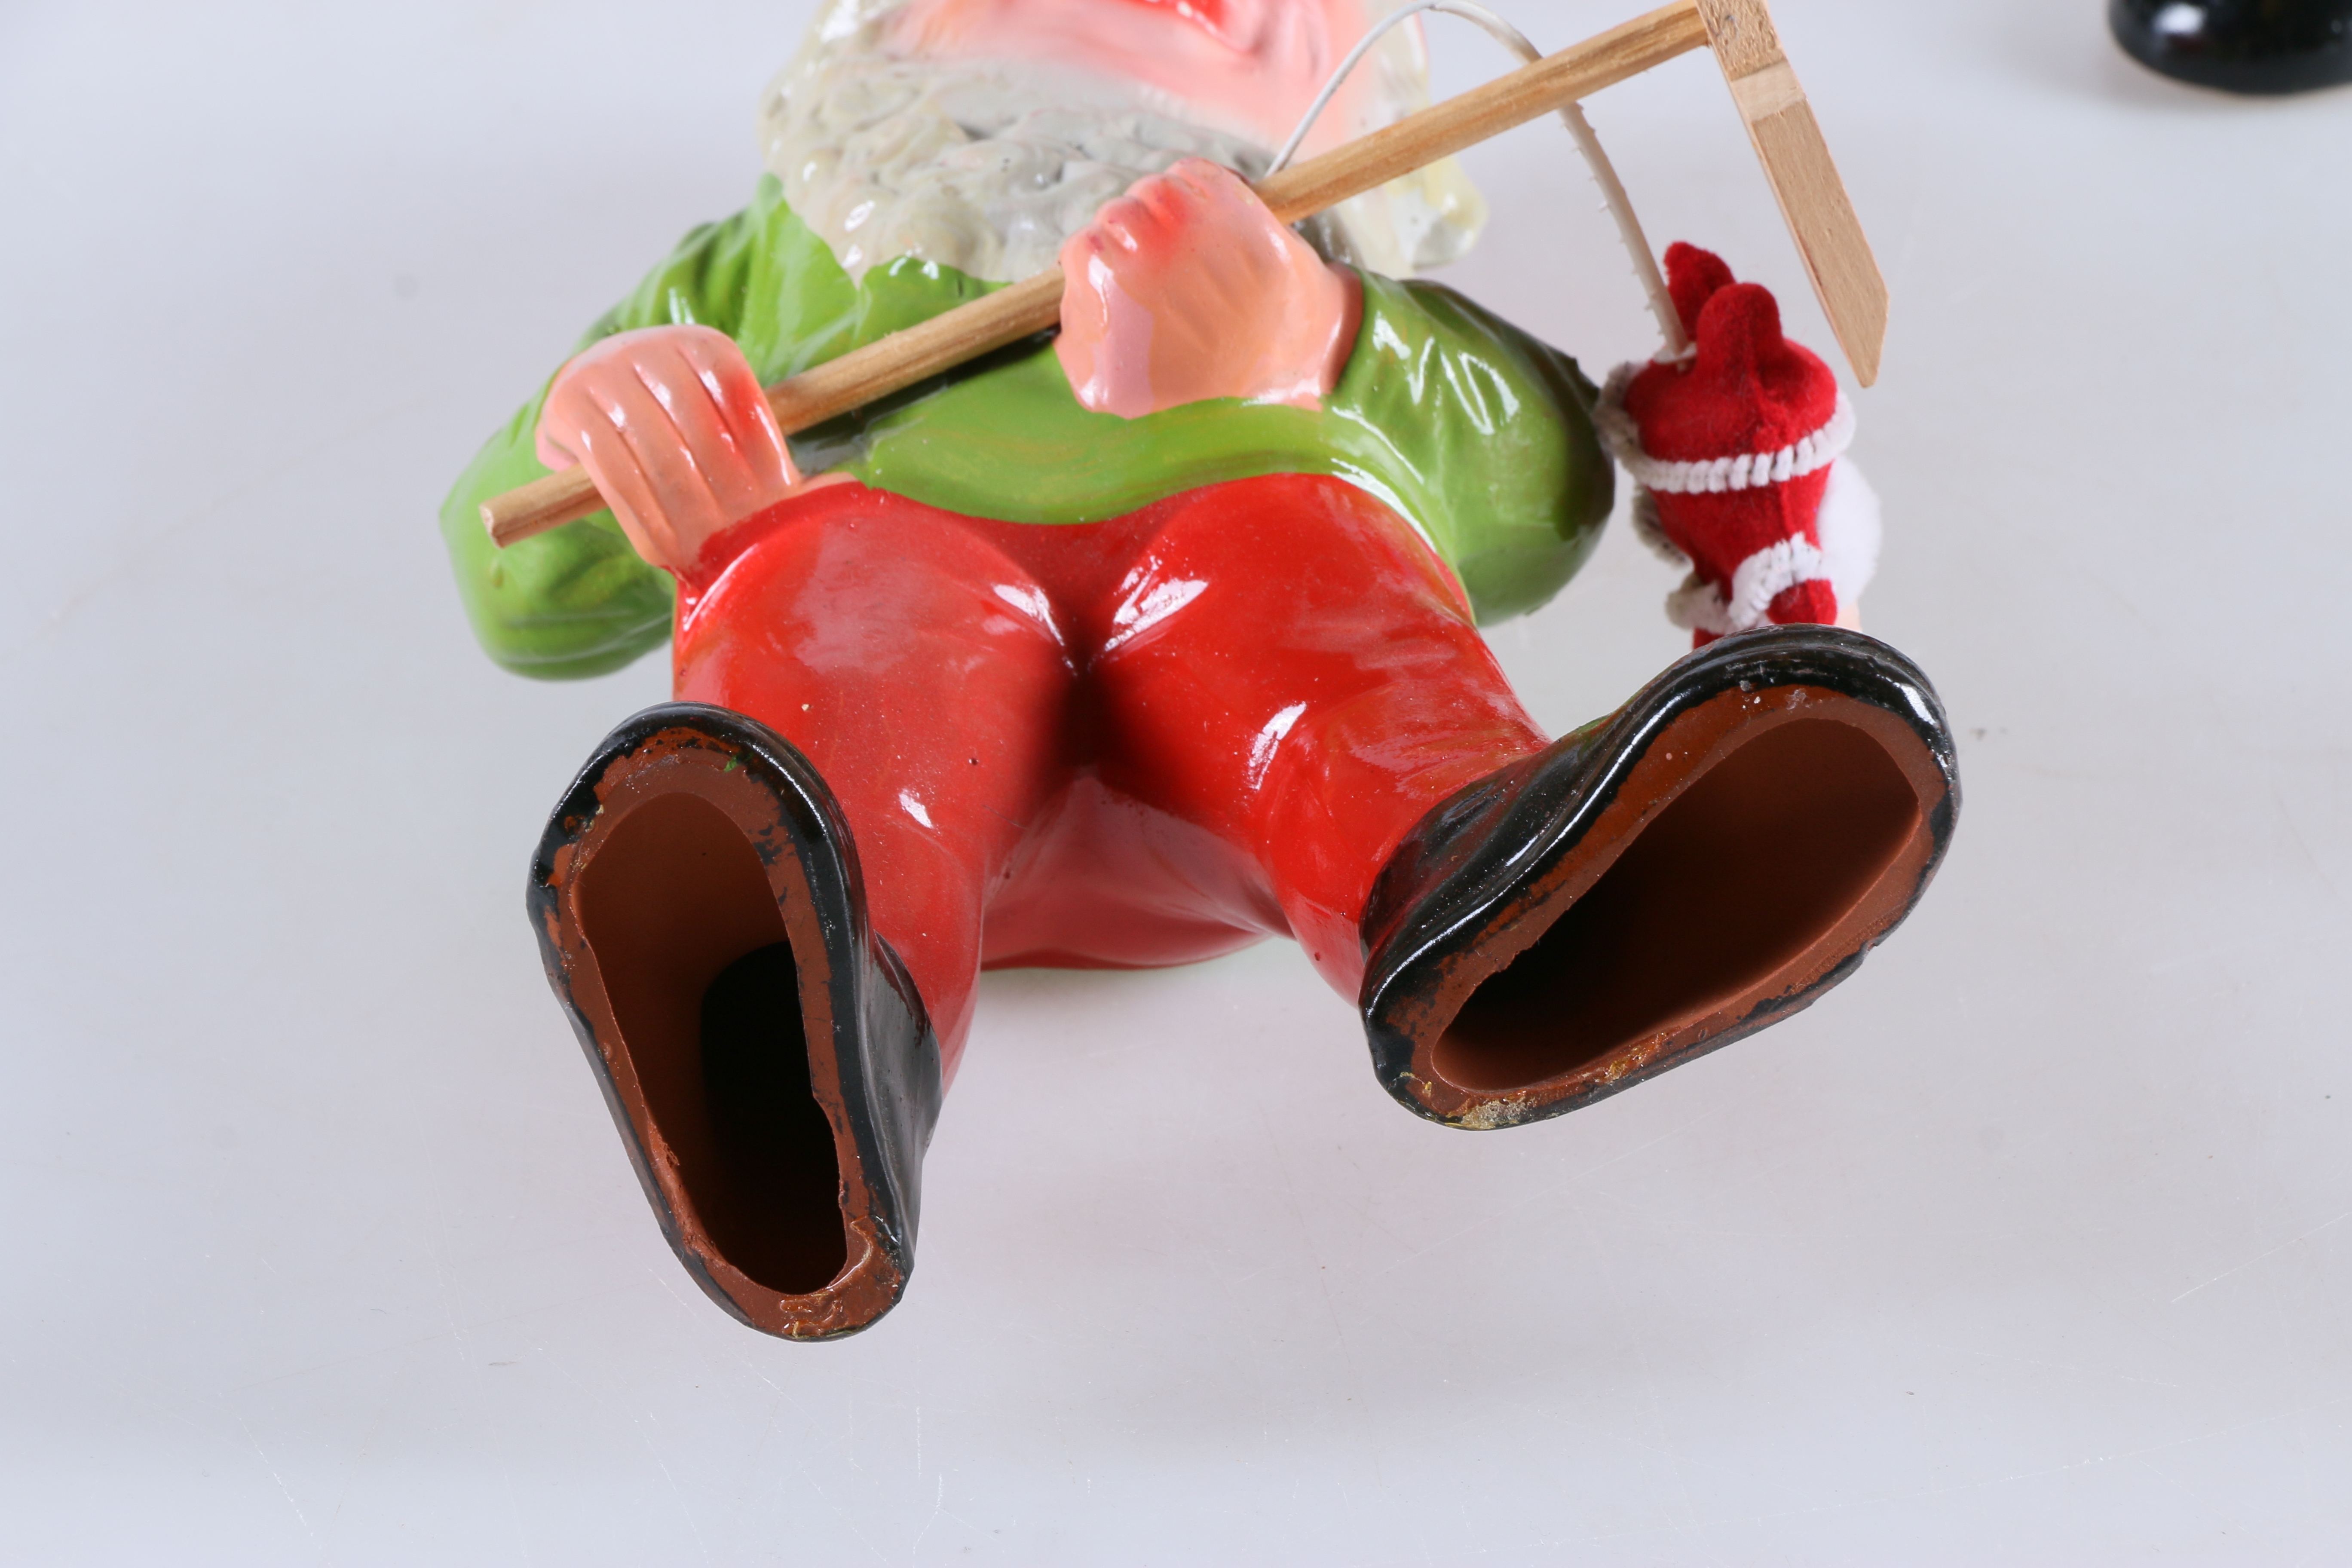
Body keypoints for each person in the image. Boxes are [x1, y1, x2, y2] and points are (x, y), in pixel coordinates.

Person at [441, 0, 1959, 1338]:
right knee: (841, 611)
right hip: (878, 621)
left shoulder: (1318, 267)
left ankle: (1482, 895)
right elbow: (508, 577)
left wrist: (1316, 340)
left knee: (1296, 577)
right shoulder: (780, 259)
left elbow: (1547, 486)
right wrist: (612, 439)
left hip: (1244, 666)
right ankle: (806, 981)